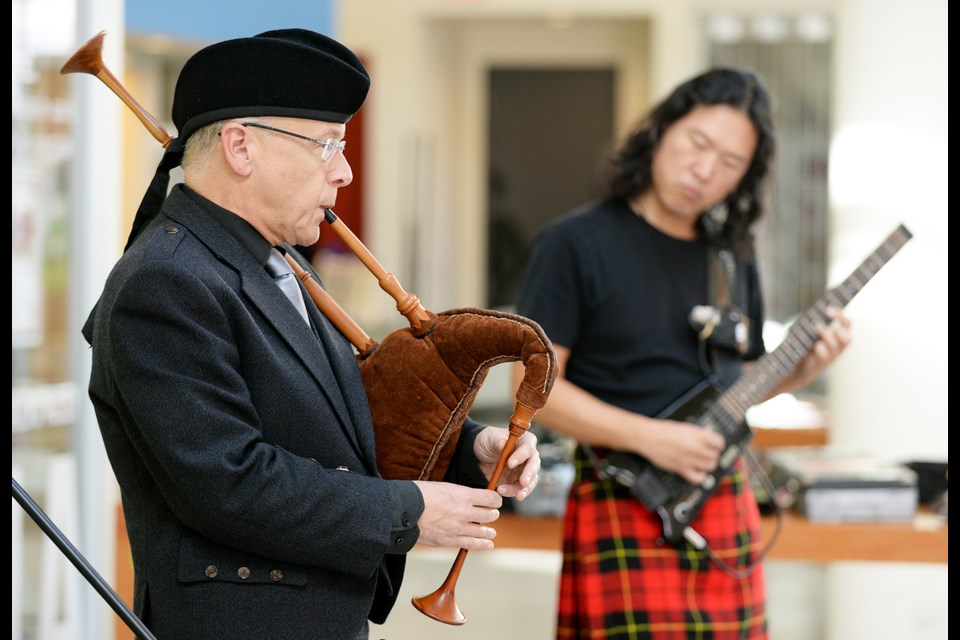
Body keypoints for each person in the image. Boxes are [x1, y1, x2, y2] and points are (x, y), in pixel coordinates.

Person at [81, 29, 541, 640]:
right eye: (327, 146)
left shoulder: (277, 261)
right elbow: (227, 481)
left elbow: (328, 417)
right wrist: (409, 511)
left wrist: (466, 449)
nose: (346, 172)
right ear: (241, 148)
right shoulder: (165, 283)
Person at [511, 67, 851, 639]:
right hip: (624, 493)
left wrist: (804, 371)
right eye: (699, 144)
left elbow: (734, 386)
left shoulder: (731, 257)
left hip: (723, 495)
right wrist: (649, 437)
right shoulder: (574, 244)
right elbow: (534, 388)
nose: (705, 171)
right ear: (663, 129)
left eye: (730, 164)